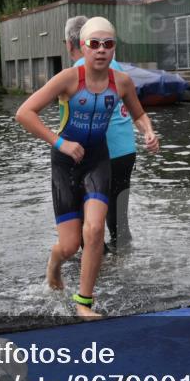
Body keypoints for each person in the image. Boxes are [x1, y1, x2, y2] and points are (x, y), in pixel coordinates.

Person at [16, 16, 159, 318]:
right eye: (94, 44)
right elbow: (24, 113)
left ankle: (84, 302)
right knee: (68, 246)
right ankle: (54, 264)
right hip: (66, 163)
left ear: (114, 49)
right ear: (82, 47)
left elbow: (139, 113)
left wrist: (147, 130)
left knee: (94, 230)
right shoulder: (68, 78)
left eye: (108, 44)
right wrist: (60, 143)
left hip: (97, 160)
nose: (101, 50)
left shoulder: (121, 82)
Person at [64, 15, 136, 250]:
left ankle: (98, 271)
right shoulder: (114, 65)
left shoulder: (79, 70)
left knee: (87, 223)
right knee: (118, 218)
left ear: (69, 44)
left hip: (98, 156)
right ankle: (123, 265)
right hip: (126, 149)